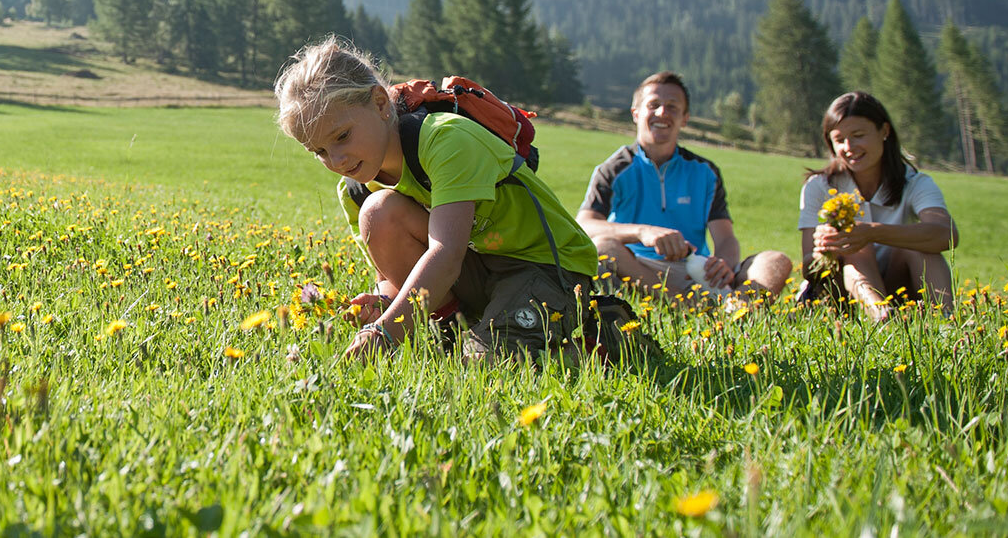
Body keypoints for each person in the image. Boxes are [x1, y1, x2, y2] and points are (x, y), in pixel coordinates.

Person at [273, 37, 602, 362]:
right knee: (378, 214)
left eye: (342, 136)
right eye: (319, 151)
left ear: (380, 104)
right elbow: (390, 278)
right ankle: (455, 335)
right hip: (479, 270)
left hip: (544, 267)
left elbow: (446, 255)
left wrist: (385, 332)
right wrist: (384, 303)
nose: (337, 160)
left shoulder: (445, 140)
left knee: (483, 365)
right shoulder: (356, 189)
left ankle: (603, 348)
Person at [578, 71, 792, 302]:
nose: (662, 112)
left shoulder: (705, 172)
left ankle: (739, 309)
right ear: (636, 113)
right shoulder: (612, 170)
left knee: (775, 260)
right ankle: (685, 306)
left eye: (672, 107)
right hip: (638, 271)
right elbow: (585, 225)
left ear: (685, 118)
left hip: (694, 271)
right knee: (602, 248)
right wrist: (642, 232)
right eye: (654, 105)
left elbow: (725, 238)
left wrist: (724, 264)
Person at [799, 91, 957, 320]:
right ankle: (882, 315)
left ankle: (945, 321)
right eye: (839, 140)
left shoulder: (914, 182)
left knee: (923, 247)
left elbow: (947, 234)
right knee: (854, 246)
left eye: (858, 135)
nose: (849, 146)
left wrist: (872, 232)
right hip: (842, 294)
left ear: (884, 131)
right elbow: (807, 266)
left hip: (902, 285)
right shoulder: (819, 186)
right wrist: (825, 250)